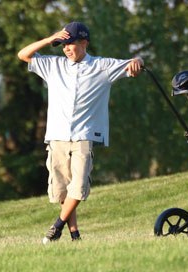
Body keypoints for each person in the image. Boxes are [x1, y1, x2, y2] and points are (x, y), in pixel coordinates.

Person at [17, 21, 143, 244]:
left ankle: (56, 227)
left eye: (70, 44)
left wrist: (138, 61)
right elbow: (23, 54)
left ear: (84, 43)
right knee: (62, 190)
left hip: (85, 135)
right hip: (57, 135)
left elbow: (135, 63)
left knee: (79, 184)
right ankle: (74, 234)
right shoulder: (53, 65)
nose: (66, 49)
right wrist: (49, 39)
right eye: (63, 45)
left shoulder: (102, 66)